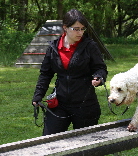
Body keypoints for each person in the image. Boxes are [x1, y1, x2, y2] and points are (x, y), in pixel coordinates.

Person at [32, 9, 108, 137]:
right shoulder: (53, 47)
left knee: (86, 149)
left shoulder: (90, 46)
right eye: (76, 29)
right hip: (59, 104)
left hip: (85, 104)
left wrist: (99, 77)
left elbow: (101, 68)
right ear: (65, 28)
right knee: (49, 142)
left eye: (83, 29)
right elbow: (45, 74)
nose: (80, 32)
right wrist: (38, 95)